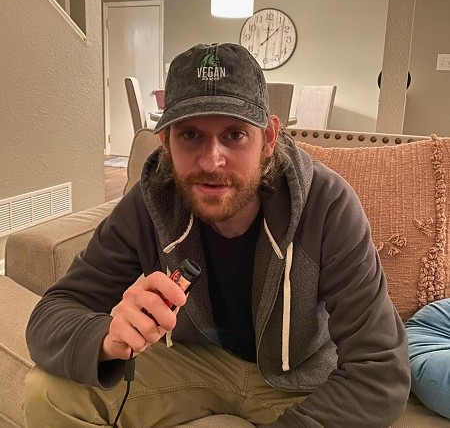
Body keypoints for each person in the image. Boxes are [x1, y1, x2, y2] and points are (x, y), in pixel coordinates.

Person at [24, 42, 410, 427]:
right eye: (190, 134)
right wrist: (107, 337)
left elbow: (381, 371)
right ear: (165, 142)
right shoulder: (148, 203)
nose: (211, 161)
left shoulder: (327, 204)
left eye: (234, 134)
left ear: (269, 139)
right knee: (48, 392)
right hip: (196, 361)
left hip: (298, 378)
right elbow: (53, 312)